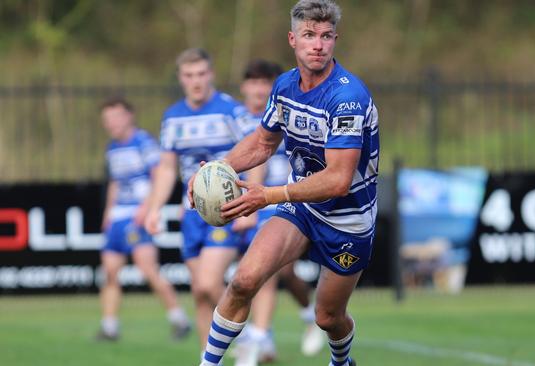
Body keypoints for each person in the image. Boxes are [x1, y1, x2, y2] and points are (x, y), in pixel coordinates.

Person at [190, 1, 380, 365]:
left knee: (328, 318)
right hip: (302, 208)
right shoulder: (285, 86)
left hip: (348, 220)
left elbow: (339, 179)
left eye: (326, 36)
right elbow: (263, 142)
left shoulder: (347, 98)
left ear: (335, 40)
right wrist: (216, 169)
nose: (318, 44)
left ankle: (342, 361)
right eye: (309, 35)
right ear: (293, 39)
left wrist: (269, 196)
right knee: (243, 280)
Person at [143, 48, 264, 354]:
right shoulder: (172, 117)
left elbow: (258, 150)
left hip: (226, 209)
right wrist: (154, 208)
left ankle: (245, 333)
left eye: (200, 74)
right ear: (180, 78)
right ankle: (209, 360)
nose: (195, 81)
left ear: (210, 74)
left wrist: (251, 202)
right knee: (199, 291)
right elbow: (168, 168)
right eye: (188, 75)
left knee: (210, 284)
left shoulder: (229, 110)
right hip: (191, 214)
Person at [232, 59, 325, 366]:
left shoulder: (288, 113)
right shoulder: (236, 117)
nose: (259, 89)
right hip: (249, 201)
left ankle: (259, 340)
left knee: (274, 271)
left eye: (265, 83)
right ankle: (299, 318)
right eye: (253, 82)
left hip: (282, 199)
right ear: (244, 86)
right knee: (253, 275)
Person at [97, 97, 191, 342]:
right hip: (117, 217)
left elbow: (158, 174)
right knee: (109, 273)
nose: (112, 123)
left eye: (116, 117)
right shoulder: (112, 147)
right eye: (107, 119)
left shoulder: (144, 142)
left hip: (137, 215)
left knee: (148, 270)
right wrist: (108, 211)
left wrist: (147, 207)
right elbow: (115, 182)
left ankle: (179, 319)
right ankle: (109, 327)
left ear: (130, 116)